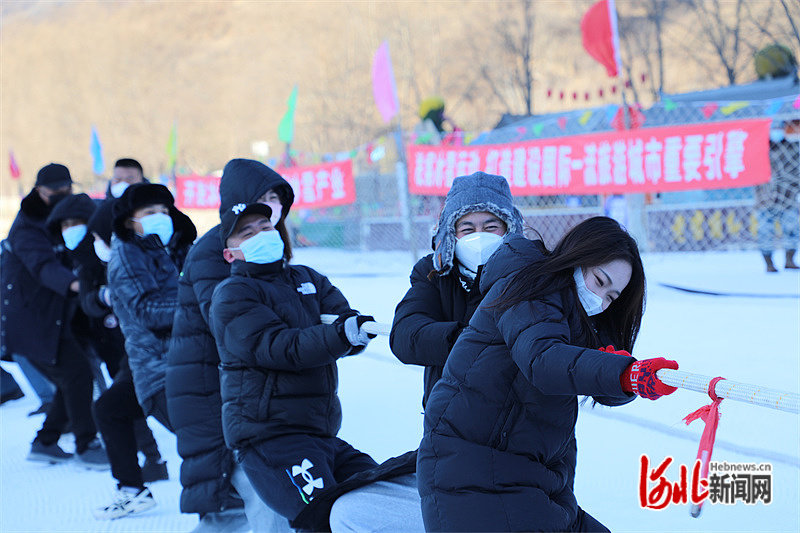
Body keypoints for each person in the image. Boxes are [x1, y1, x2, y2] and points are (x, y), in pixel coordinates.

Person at [416, 216, 680, 531]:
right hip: (472, 473)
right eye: (599, 280)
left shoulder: (572, 321)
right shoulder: (529, 286)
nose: (600, 299)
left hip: (532, 481)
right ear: (577, 256)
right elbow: (543, 360)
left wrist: (617, 372)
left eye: (611, 297)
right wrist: (624, 373)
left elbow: (590, 380)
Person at [209, 201, 378, 526]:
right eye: (247, 232)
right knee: (323, 519)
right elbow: (278, 347)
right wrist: (340, 336)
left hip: (321, 432)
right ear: (230, 254)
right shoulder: (233, 294)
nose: (261, 234)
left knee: (379, 495)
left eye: (266, 227)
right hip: (271, 437)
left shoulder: (308, 279)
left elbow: (340, 324)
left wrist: (352, 331)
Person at [167, 158, 294, 532]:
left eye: (277, 198)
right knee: (258, 492)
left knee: (235, 502)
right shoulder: (212, 250)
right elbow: (227, 323)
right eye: (264, 197)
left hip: (241, 388)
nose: (273, 206)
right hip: (210, 389)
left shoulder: (269, 245)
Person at [44, 192, 168, 519]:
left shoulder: (153, 251)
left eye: (81, 226)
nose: (76, 232)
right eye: (67, 225)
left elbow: (161, 305)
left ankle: (160, 465)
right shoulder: (90, 263)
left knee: (182, 421)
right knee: (114, 406)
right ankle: (134, 486)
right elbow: (88, 301)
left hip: (160, 357)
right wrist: (105, 295)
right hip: (122, 348)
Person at [0, 163, 109, 468]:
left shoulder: (65, 217)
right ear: (39, 191)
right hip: (32, 321)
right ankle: (86, 445)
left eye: (66, 189)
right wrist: (76, 284)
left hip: (58, 317)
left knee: (70, 378)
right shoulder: (26, 229)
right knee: (78, 375)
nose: (62, 196)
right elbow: (44, 267)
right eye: (54, 192)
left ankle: (45, 442)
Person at [107, 182, 196, 432]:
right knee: (206, 446)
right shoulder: (126, 256)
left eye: (164, 211)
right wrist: (203, 304)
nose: (159, 218)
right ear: (128, 222)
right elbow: (149, 311)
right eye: (148, 213)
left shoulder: (178, 249)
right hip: (161, 375)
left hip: (195, 362)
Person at [755, 138, 799, 273]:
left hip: (788, 196)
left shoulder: (794, 146)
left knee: (792, 229)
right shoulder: (758, 147)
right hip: (765, 198)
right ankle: (769, 263)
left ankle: (789, 260)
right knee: (765, 231)